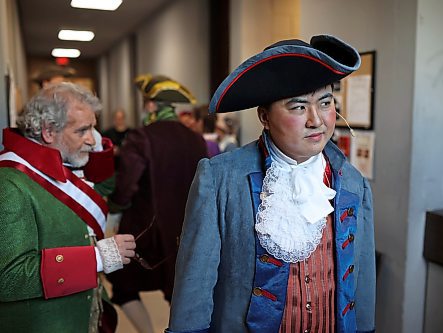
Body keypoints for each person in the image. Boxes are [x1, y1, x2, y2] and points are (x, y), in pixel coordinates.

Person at [167, 35, 376, 333]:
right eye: (298, 107)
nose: (317, 120)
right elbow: (195, 283)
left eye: (326, 103)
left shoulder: (354, 182)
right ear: (264, 116)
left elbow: (362, 281)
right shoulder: (220, 178)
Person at [0, 82, 137, 333]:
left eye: (93, 128)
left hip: (82, 312)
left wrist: (93, 144)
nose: (90, 139)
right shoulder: (10, 185)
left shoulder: (57, 161)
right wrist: (98, 257)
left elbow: (105, 188)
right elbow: (8, 278)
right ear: (49, 132)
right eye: (83, 130)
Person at [106, 75, 208, 333]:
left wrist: (114, 208)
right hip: (186, 228)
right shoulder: (196, 139)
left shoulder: (140, 137)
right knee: (178, 288)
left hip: (146, 228)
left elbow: (126, 186)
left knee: (122, 285)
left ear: (151, 105)